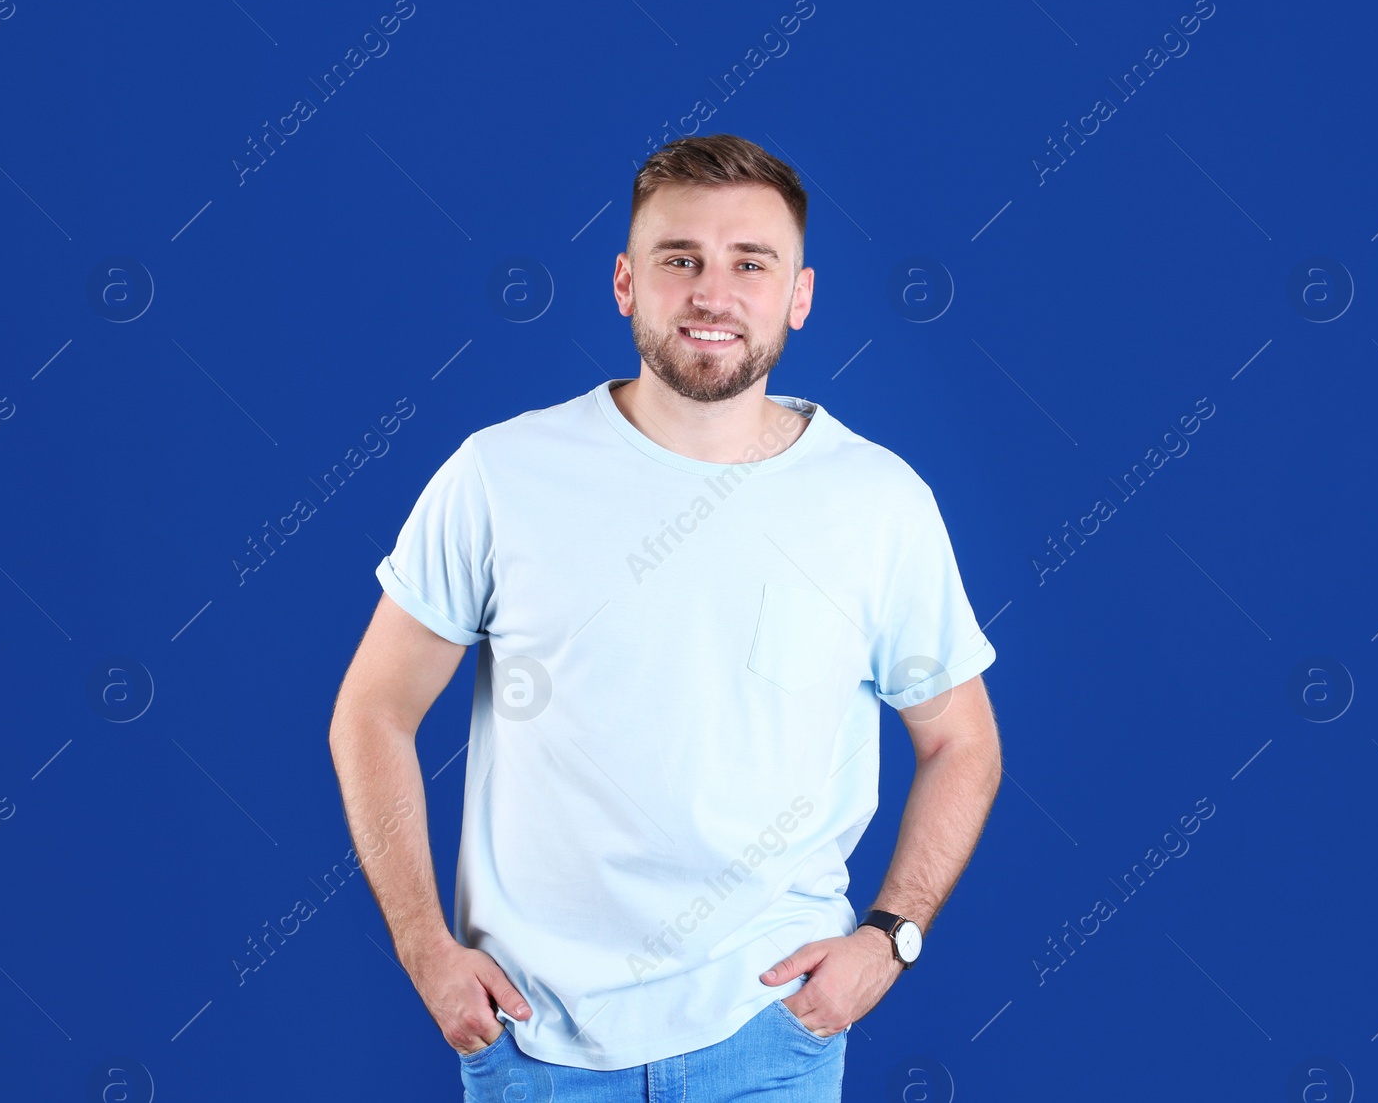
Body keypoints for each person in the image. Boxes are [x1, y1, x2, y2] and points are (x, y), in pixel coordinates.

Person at [328, 133, 1003, 1101]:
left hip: (771, 1036)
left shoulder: (878, 503)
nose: (711, 294)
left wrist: (888, 940)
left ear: (799, 296)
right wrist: (424, 947)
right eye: (679, 259)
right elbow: (371, 711)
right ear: (624, 282)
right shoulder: (501, 475)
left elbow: (961, 742)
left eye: (749, 264)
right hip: (533, 1043)